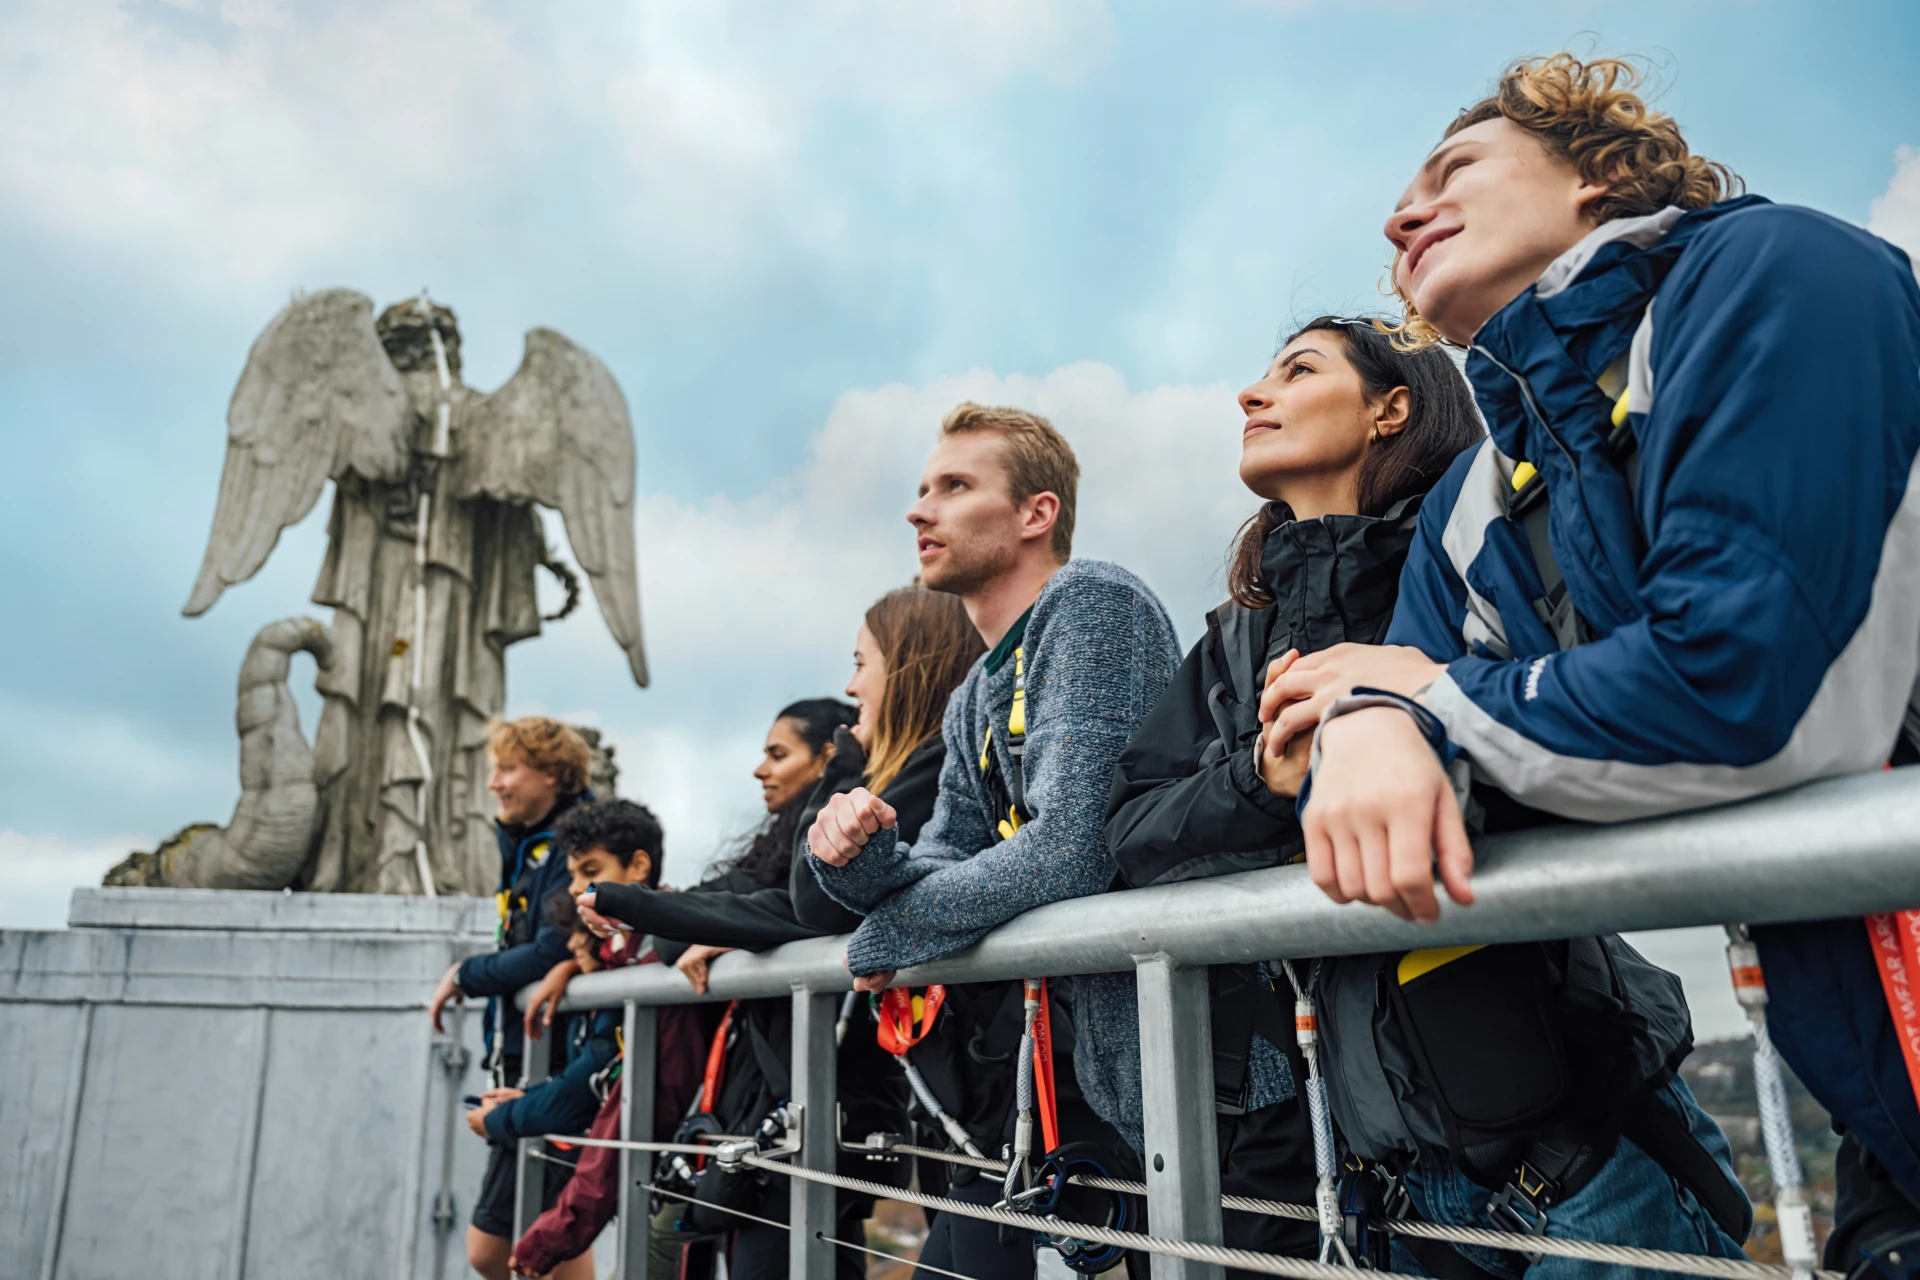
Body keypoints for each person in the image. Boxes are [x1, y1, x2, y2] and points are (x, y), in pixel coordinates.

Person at [1260, 52, 1920, 1278]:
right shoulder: (1474, 495)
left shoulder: (1777, 272)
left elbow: (1746, 692)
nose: (1401, 215)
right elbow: (1369, 741)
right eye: (1401, 198)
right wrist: (1364, 720)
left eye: (1454, 168)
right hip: (1870, 1058)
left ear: (1597, 176)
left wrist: (1419, 703)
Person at [1103, 314, 1484, 1273]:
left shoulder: (1477, 563)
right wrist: (1267, 779)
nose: (1250, 394)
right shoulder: (1237, 637)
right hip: (1369, 1139)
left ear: (1391, 409)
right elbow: (1128, 829)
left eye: (1297, 370)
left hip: (1560, 1122)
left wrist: (1401, 719)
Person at [805, 402, 1183, 1279]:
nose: (918, 510)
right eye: (921, 489)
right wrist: (860, 862)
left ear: (1034, 514)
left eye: (953, 487)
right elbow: (942, 856)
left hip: (1199, 1076)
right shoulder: (975, 688)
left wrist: (892, 928)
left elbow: (1075, 848)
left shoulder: (1094, 603)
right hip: (1082, 1088)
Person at [581, 700, 905, 1280]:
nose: (760, 769)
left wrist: (730, 928)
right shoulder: (776, 853)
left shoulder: (833, 842)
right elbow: (687, 935)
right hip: (793, 1111)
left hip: (819, 1109)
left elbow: (787, 912)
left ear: (829, 758)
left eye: (777, 754)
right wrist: (727, 928)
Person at [509, 799, 717, 1280]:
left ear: (639, 866)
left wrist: (555, 1233)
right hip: (670, 1168)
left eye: (591, 871)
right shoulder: (621, 951)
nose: (578, 889)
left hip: (687, 1168)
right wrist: (572, 966)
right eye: (574, 875)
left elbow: (637, 1111)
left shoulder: (666, 962)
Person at [426, 717, 595, 1280]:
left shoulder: (568, 844)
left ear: (552, 775)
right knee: (550, 1243)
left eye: (507, 769)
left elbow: (549, 950)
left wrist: (466, 973)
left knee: (496, 1249)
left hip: (551, 1066)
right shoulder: (532, 844)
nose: (493, 783)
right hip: (531, 1058)